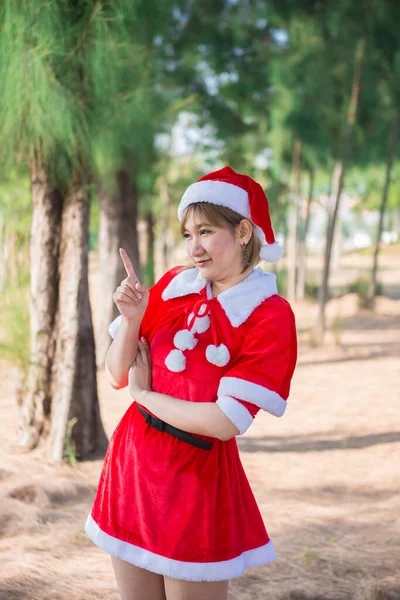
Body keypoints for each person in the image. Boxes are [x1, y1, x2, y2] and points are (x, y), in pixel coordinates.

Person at [85, 165, 297, 600]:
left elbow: (224, 421)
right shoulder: (172, 287)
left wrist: (144, 397)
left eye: (205, 231)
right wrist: (132, 320)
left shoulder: (268, 314)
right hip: (132, 468)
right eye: (187, 235)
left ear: (242, 233)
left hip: (195, 480)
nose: (194, 247)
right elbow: (115, 373)